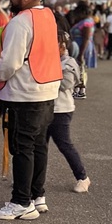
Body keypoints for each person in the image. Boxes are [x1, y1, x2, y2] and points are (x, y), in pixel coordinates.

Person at [0, 0, 62, 220]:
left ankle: (21, 202)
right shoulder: (48, 16)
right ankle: (37, 196)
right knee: (38, 146)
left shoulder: (20, 22)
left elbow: (9, 64)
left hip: (24, 94)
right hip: (46, 89)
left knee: (22, 148)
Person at [44, 32, 91, 198]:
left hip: (61, 110)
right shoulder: (46, 60)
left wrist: (45, 73)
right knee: (38, 146)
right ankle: (33, 179)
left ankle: (82, 177)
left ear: (62, 47)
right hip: (44, 108)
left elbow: (66, 84)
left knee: (64, 144)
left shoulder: (69, 63)